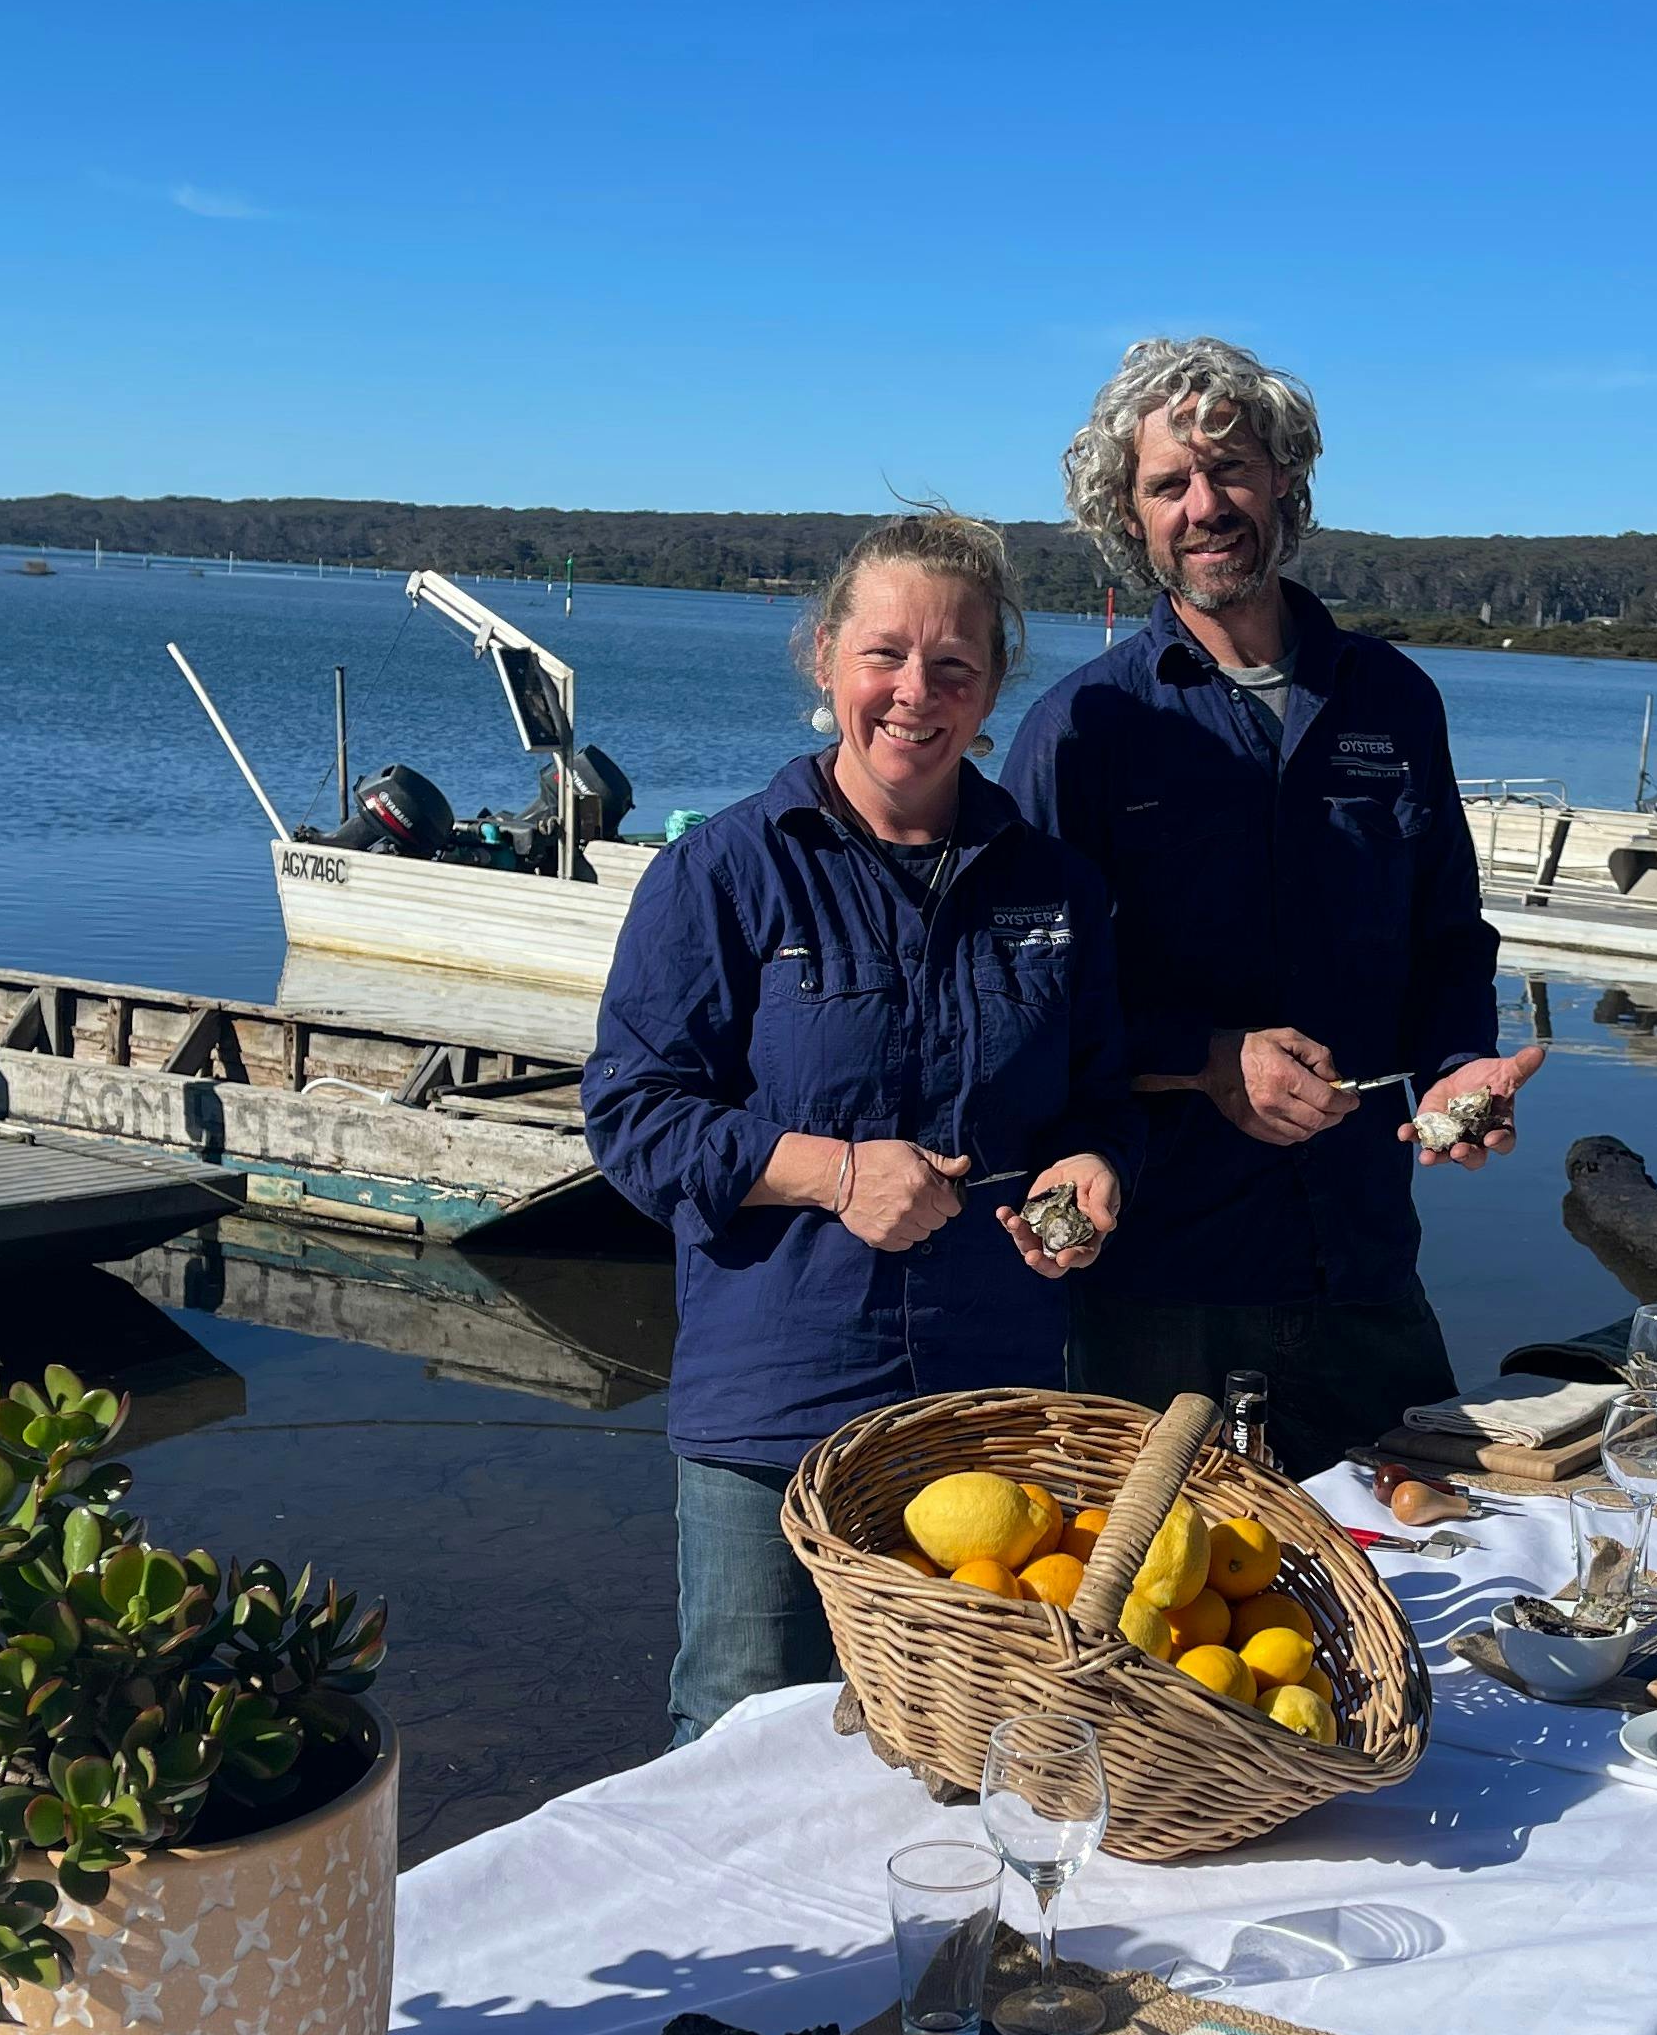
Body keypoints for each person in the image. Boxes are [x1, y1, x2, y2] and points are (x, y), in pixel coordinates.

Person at [586, 512, 1141, 1746]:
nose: (916, 693)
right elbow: (632, 1117)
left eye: (955, 666)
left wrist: (1095, 1169)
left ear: (995, 687)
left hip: (986, 1407)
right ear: (826, 658)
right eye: (885, 655)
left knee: (966, 1734)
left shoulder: (1056, 887)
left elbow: (1102, 1098)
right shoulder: (725, 873)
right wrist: (834, 1173)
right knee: (739, 1740)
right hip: (775, 1408)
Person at [1003, 338, 1542, 1477]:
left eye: (1234, 470)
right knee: (1156, 1613)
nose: (1206, 507)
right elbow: (1031, 1002)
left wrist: (1458, 1066)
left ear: (1286, 479)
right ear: (1129, 511)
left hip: (1359, 1256)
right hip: (1161, 1277)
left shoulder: (1392, 701)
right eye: (1168, 485)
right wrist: (1207, 1061)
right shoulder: (1084, 728)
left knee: (1421, 1577)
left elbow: (1450, 940)